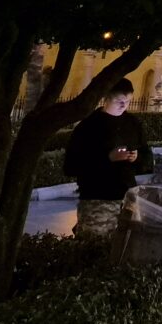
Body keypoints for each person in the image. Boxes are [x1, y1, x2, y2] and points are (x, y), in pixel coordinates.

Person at [64, 79, 152, 236]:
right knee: (92, 248)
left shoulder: (133, 124)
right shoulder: (89, 126)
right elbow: (71, 165)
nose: (124, 105)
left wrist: (136, 158)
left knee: (125, 250)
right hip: (97, 199)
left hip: (127, 198)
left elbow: (147, 158)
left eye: (128, 101)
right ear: (106, 98)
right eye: (120, 101)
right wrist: (107, 158)